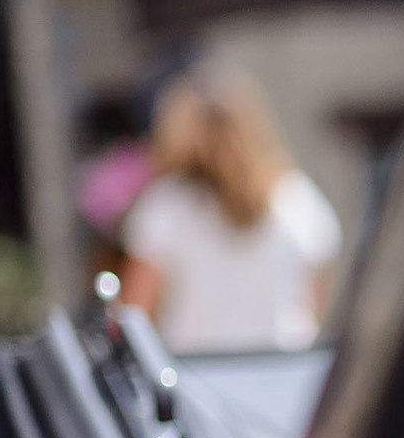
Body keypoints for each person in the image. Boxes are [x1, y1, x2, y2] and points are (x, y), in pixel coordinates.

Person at [119, 68, 341, 353]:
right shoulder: (296, 195)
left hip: (199, 375)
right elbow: (315, 298)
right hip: (283, 371)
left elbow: (135, 314)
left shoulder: (166, 206)